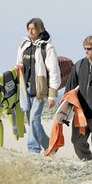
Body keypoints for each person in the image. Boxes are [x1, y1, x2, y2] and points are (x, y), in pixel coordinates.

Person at [16, 18, 61, 154]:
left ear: (40, 29)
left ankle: (33, 150)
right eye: (28, 28)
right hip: (25, 88)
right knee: (32, 121)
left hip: (40, 90)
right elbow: (18, 65)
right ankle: (51, 146)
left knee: (34, 117)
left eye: (33, 28)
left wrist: (52, 95)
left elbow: (54, 71)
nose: (30, 31)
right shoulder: (24, 44)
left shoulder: (47, 47)